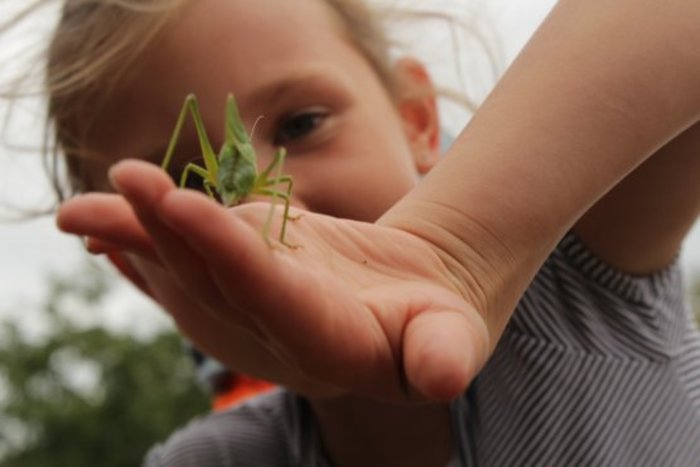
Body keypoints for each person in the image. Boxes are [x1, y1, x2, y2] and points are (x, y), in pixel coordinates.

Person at [6, 0, 700, 465]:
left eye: (302, 124)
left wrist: (463, 248)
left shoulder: (582, 291)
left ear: (419, 121)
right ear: (139, 271)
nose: (280, 192)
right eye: (189, 183)